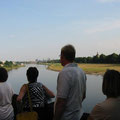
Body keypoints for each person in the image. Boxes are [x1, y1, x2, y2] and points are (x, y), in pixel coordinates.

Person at [53, 44, 87, 120]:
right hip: (78, 115)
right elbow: (84, 96)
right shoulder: (81, 72)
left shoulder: (65, 73)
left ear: (62, 56)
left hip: (66, 117)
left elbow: (61, 102)